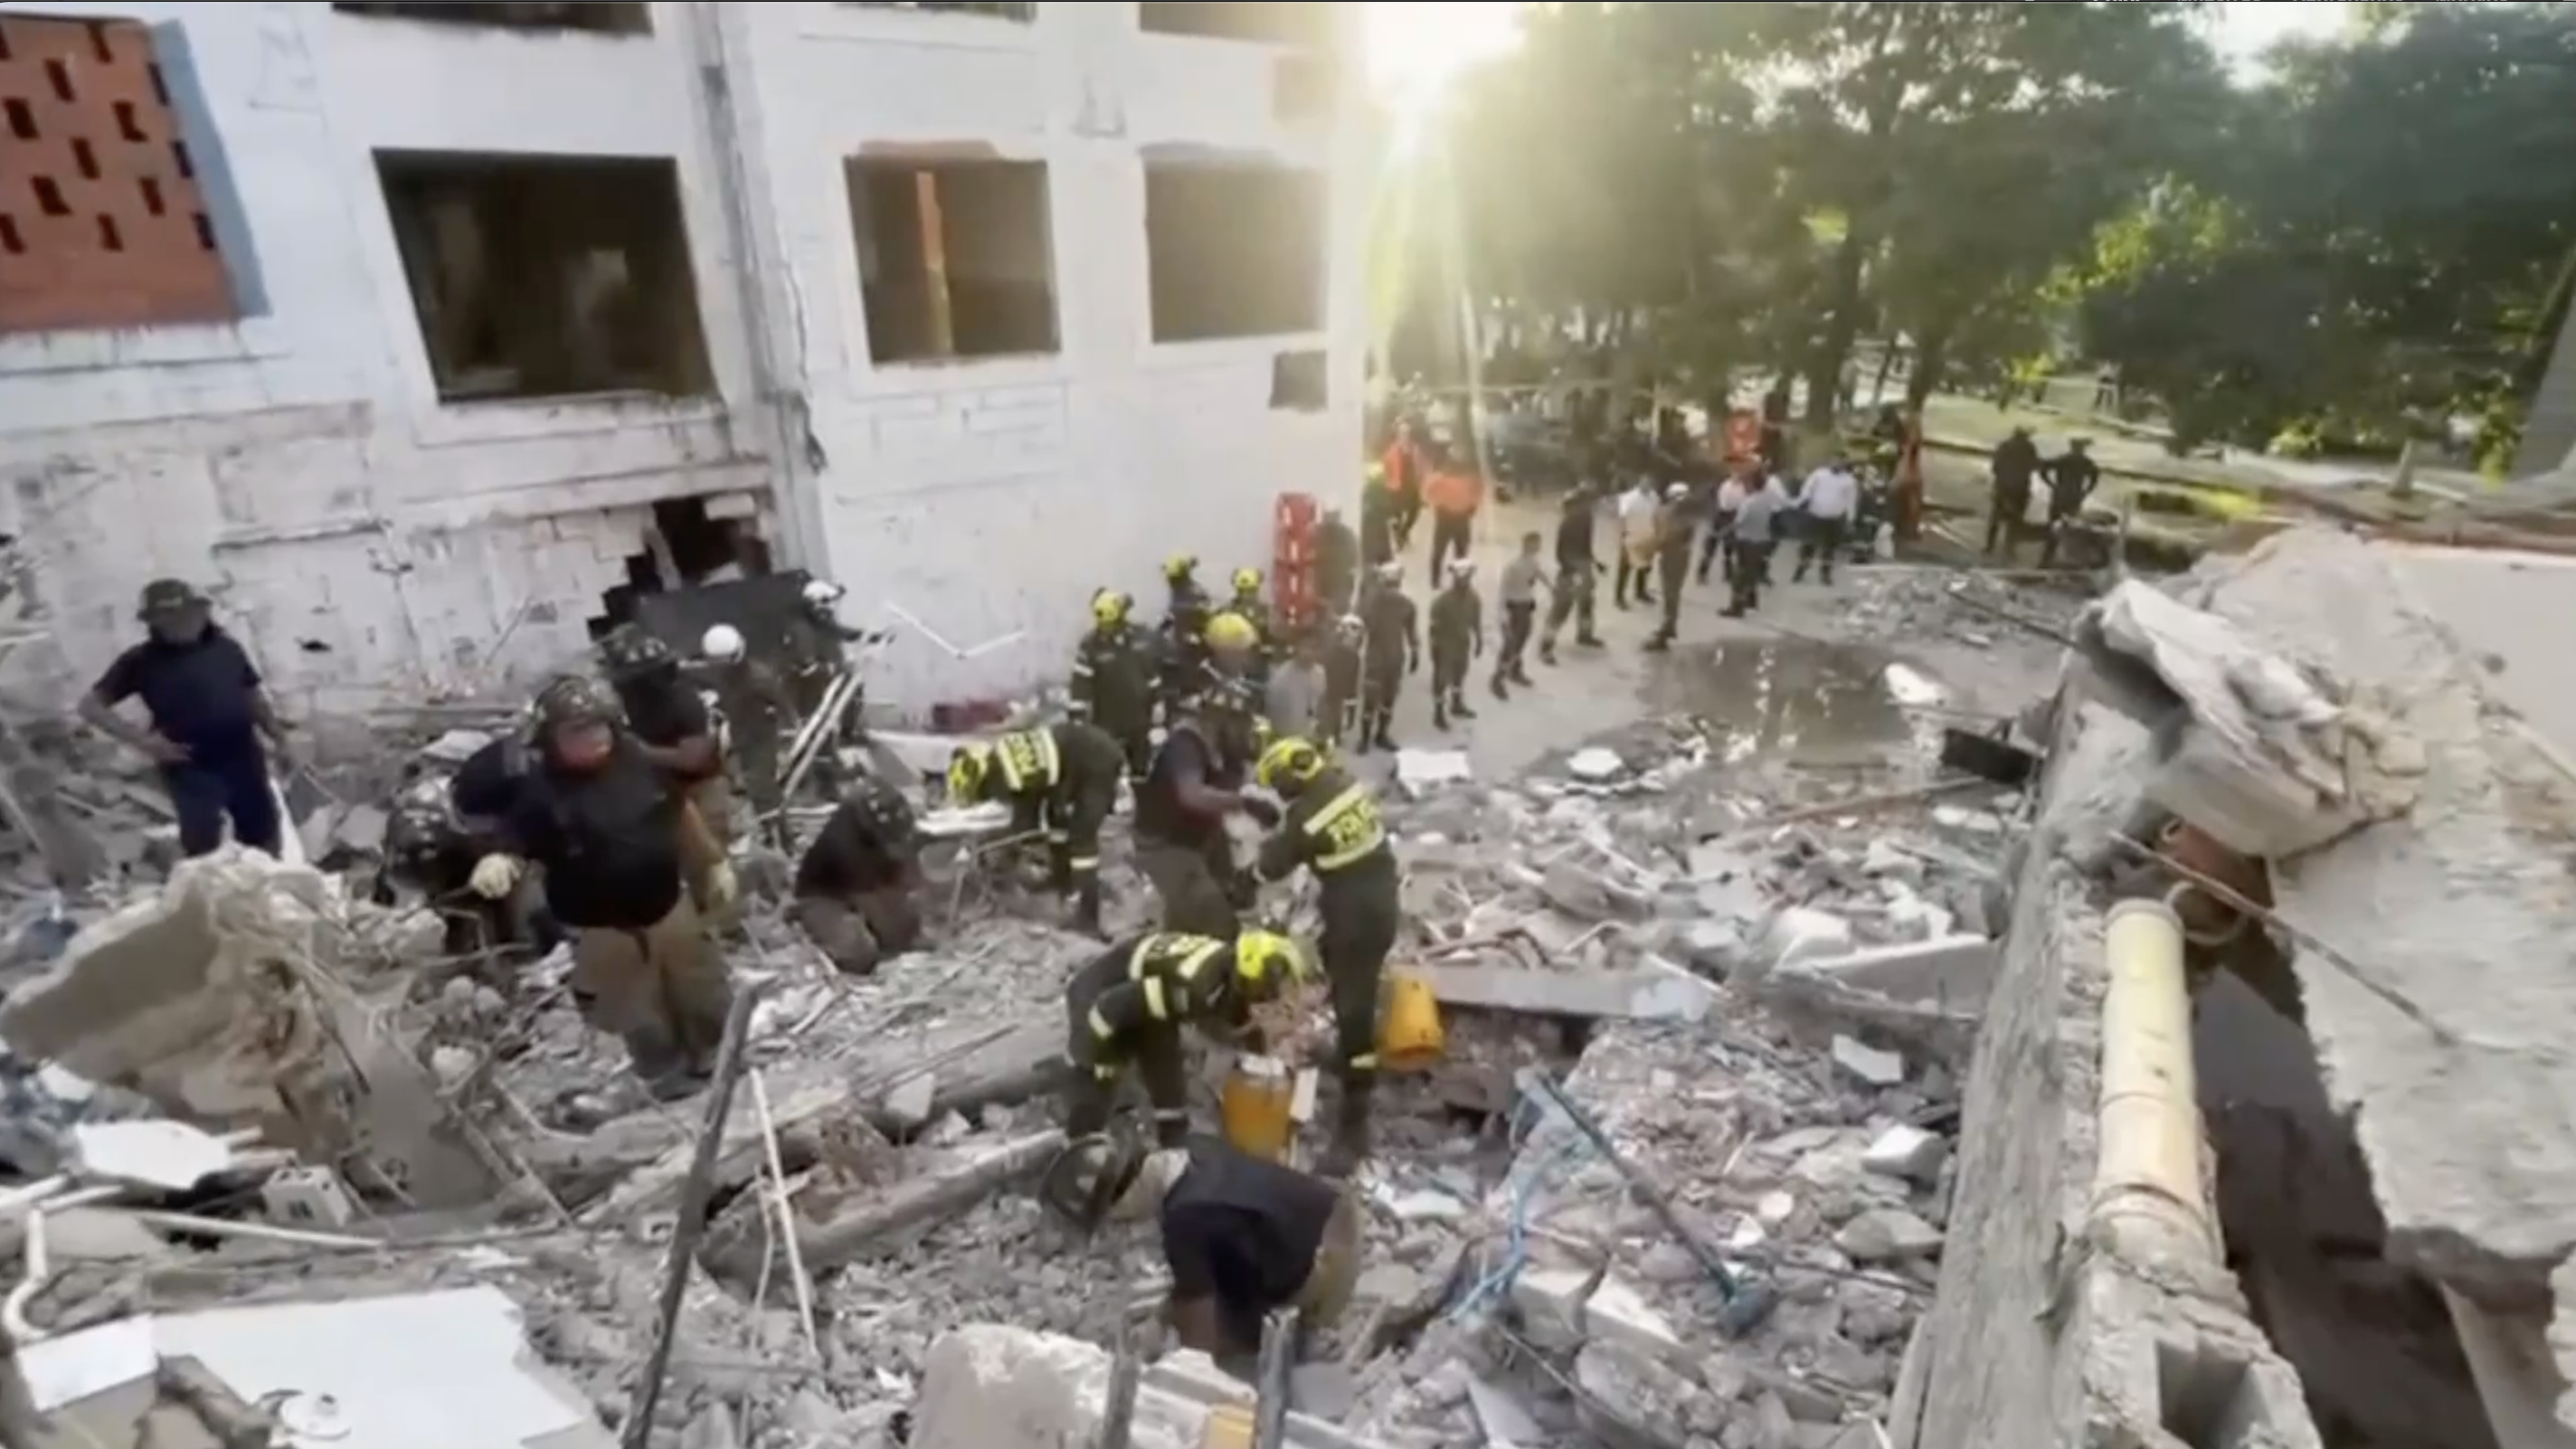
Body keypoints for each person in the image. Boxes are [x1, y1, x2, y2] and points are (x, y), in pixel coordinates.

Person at [469, 675, 736, 1100]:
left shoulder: (639, 760)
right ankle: (666, 1080)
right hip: (603, 928)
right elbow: (516, 840)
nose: (594, 738)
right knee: (638, 1012)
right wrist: (500, 860)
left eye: (599, 726)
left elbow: (678, 811)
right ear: (551, 738)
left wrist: (713, 862)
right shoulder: (540, 792)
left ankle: (719, 1058)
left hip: (669, 906)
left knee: (702, 988)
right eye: (577, 731)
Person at [1050, 1133, 1361, 1375]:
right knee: (1196, 1289)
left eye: (1116, 1218)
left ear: (1123, 1200)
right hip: (1336, 1218)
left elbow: (1199, 1344)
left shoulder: (1184, 1219)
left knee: (1225, 1353)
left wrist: (1165, 1370)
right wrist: (1163, 1314)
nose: (1122, 1225)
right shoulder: (1193, 1149)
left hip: (1326, 1269)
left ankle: (1304, 1337)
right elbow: (1214, 1251)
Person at [1250, 737, 1398, 1176]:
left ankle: (1354, 1128)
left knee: (1355, 1010)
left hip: (1357, 916)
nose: (1278, 792)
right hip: (1374, 904)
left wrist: (1247, 876)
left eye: (1277, 783)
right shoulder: (1341, 783)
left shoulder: (1306, 817)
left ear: (1289, 775)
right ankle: (1349, 1055)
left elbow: (1272, 864)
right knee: (1337, 967)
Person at [80, 580, 294, 858]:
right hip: (189, 763)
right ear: (154, 624)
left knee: (262, 833)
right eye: (167, 619)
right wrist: (145, 742)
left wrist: (280, 738)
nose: (178, 624)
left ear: (201, 613)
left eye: (183, 615)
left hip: (243, 755)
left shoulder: (227, 649)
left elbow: (253, 696)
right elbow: (91, 707)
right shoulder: (140, 661)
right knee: (203, 841)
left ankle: (268, 879)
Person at [1061, 928, 1313, 1146]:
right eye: (1277, 992)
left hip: (1148, 996)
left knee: (1170, 1101)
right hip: (1103, 997)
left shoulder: (1231, 982)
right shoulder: (1199, 989)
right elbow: (1109, 1009)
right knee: (1098, 1084)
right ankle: (1076, 1148)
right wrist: (1100, 1063)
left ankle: (1170, 1146)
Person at [600, 625, 734, 916]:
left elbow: (694, 758)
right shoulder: (631, 705)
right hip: (662, 795)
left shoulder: (684, 701)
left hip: (701, 788)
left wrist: (640, 752)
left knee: (709, 868)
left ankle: (724, 926)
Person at [948, 720, 1124, 933]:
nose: (991, 799)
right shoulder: (1002, 757)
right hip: (1074, 760)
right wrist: (1028, 841)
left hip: (1096, 763)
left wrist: (1015, 849)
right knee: (1057, 824)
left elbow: (1026, 818)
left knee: (1082, 840)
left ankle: (1088, 919)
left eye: (983, 795)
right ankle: (1062, 881)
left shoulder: (1005, 776)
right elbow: (1033, 804)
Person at [1134, 696, 1278, 936]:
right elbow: (1191, 795)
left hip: (1202, 840)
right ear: (1217, 719)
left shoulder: (1229, 753)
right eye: (1240, 723)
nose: (1245, 731)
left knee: (1233, 899)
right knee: (1216, 922)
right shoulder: (1185, 744)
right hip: (1164, 846)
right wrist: (1244, 803)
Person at [791, 775, 924, 976]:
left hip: (870, 880)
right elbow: (872, 905)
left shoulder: (890, 809)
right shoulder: (847, 845)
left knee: (907, 925)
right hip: (825, 895)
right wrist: (895, 936)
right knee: (860, 952)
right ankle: (812, 928)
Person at [696, 624, 794, 843]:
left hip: (761, 740)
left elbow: (785, 707)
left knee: (763, 790)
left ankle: (781, 839)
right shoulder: (729, 675)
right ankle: (774, 833)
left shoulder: (759, 679)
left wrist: (787, 739)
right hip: (743, 736)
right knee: (756, 788)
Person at [1070, 588, 1157, 779]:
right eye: (1102, 624)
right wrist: (1077, 721)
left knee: (1141, 769)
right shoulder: (1090, 646)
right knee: (1109, 770)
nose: (1104, 628)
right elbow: (1080, 686)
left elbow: (1151, 673)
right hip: (1108, 722)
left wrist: (1158, 703)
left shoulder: (1140, 637)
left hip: (1139, 721)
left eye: (1109, 624)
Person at [1358, 563, 1419, 752]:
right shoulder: (1371, 604)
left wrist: (1415, 651)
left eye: (1395, 584)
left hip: (1394, 659)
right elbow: (1359, 628)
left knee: (1388, 700)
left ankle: (1381, 735)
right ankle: (1365, 738)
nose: (1392, 588)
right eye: (1389, 584)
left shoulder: (1406, 605)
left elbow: (1411, 631)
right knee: (1371, 700)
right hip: (1377, 659)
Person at [1539, 486, 1605, 664]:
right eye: (1592, 502)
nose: (1595, 506)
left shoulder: (1587, 518)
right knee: (1561, 608)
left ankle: (1584, 635)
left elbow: (1586, 545)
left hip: (1582, 565)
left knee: (1586, 603)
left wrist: (1594, 562)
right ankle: (1546, 646)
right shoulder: (1570, 521)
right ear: (1584, 502)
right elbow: (1560, 551)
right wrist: (1570, 570)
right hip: (1572, 568)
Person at [1724, 473, 1789, 619]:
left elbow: (1739, 522)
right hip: (1761, 540)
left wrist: (1724, 531)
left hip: (1746, 540)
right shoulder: (1767, 500)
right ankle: (1751, 600)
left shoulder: (1748, 502)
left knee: (1740, 574)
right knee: (1752, 572)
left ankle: (1736, 607)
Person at [1643, 482, 1699, 653]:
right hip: (1679, 556)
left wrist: (1649, 548)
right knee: (1672, 593)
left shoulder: (1672, 514)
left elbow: (1665, 536)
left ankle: (1666, 629)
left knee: (1671, 593)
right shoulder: (1686, 515)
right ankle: (1669, 626)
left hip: (1673, 556)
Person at [1427, 559, 1483, 725]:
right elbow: (1433, 626)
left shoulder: (1474, 598)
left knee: (1460, 674)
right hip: (1445, 643)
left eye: (1467, 578)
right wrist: (1436, 648)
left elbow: (1476, 621)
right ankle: (1438, 713)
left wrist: (1479, 640)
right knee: (1441, 679)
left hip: (1462, 642)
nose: (1464, 582)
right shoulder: (1443, 601)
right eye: (1461, 579)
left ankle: (1456, 704)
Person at [1794, 453, 1861, 585]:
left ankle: (1826, 574)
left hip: (1834, 519)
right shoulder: (1819, 474)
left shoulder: (1849, 481)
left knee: (1829, 548)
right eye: (1835, 460)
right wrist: (1803, 500)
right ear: (1830, 461)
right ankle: (1801, 569)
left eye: (1841, 462)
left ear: (1844, 464)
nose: (1837, 463)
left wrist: (1850, 519)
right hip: (1815, 515)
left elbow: (1850, 501)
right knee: (1808, 545)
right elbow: (1807, 489)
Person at [1158, 554, 1213, 716]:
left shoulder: (1194, 594)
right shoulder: (1179, 592)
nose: (1168, 581)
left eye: (1172, 578)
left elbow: (1204, 620)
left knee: (1189, 680)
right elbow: (1173, 615)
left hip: (1193, 649)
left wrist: (1195, 636)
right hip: (1180, 644)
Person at [1492, 531, 1544, 697]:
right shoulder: (1513, 567)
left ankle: (1513, 668)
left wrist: (1552, 587)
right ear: (1527, 544)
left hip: (1526, 607)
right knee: (1511, 642)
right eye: (1535, 543)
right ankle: (1500, 675)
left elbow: (1538, 574)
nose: (1539, 546)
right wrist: (1502, 614)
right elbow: (1503, 591)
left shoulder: (1533, 563)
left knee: (1521, 640)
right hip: (1515, 608)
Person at [2040, 437, 2102, 567]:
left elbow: (2043, 468)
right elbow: (2095, 477)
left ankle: (2047, 557)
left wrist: (2051, 484)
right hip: (2074, 496)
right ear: (2082, 449)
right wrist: (2086, 491)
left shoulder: (2063, 459)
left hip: (2060, 494)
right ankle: (2066, 557)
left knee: (2053, 525)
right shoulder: (2086, 462)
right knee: (2070, 527)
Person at [1423, 452, 1482, 578]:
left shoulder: (1440, 477)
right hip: (1462, 517)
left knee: (1439, 549)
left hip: (1445, 516)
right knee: (1461, 551)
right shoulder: (1469, 479)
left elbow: (1427, 491)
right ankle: (1460, 578)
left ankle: (1435, 578)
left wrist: (1436, 504)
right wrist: (1472, 506)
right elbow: (1478, 491)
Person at [1987, 426, 2041, 558]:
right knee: (2015, 520)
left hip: (2003, 487)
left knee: (1996, 518)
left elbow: (1995, 467)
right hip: (2020, 488)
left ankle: (1989, 546)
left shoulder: (2005, 446)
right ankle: (2009, 548)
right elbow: (2034, 465)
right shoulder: (2029, 448)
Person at [1223, 568, 1274, 687]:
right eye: (1242, 591)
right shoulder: (1228, 610)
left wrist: (1270, 647)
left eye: (1251, 591)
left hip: (1257, 663)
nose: (1246, 595)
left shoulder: (1265, 611)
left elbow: (1273, 635)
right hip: (1233, 663)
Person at [1320, 614, 1365, 749]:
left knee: (1336, 712)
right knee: (1327, 713)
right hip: (1325, 691)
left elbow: (1353, 682)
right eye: (1349, 639)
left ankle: (1335, 734)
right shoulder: (1329, 652)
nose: (1352, 643)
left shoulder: (1354, 658)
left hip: (1338, 695)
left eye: (1355, 640)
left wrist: (1351, 703)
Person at [1615, 478, 1660, 609]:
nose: (1648, 485)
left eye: (1650, 483)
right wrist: (1622, 536)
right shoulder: (1629, 498)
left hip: (1647, 536)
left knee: (1644, 566)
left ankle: (1640, 592)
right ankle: (1619, 597)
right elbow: (1622, 518)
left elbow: (1656, 515)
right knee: (1625, 568)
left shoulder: (1654, 497)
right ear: (1639, 482)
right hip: (1632, 536)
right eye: (1645, 482)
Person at [1701, 463, 1748, 584]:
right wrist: (1712, 516)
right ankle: (1702, 573)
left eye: (1739, 474)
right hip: (1720, 515)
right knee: (1710, 547)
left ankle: (1728, 574)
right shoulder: (1724, 485)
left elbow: (1743, 504)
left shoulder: (1742, 488)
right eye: (1735, 473)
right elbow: (1717, 500)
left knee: (1729, 547)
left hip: (1732, 516)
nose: (1737, 476)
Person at [1316, 506, 1360, 620]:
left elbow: (1354, 557)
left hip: (1337, 582)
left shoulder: (1345, 534)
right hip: (1328, 582)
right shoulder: (1319, 533)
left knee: (1337, 611)